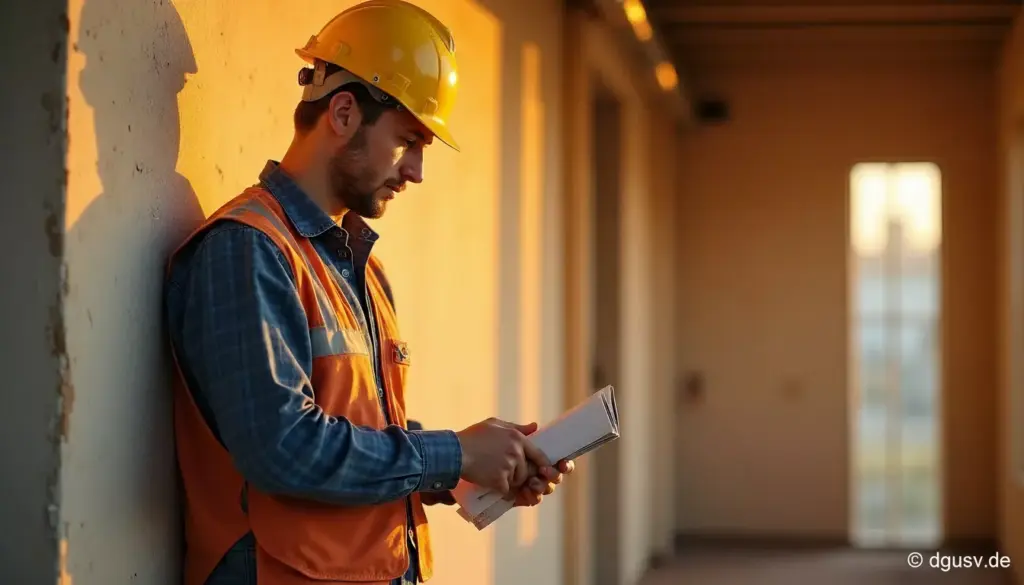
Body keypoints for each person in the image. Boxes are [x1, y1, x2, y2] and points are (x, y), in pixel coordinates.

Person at [162, 1, 574, 584]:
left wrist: (472, 467)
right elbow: (282, 448)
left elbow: (361, 434)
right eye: (409, 140)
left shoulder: (361, 267)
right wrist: (454, 452)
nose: (417, 171)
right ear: (344, 113)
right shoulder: (248, 248)